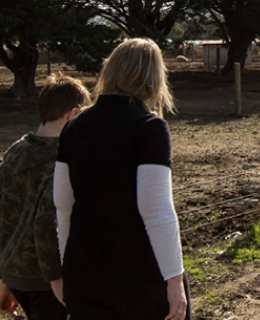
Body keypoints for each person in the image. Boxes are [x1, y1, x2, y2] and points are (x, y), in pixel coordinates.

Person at [52, 39, 187, 320]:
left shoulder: (74, 127)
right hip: (139, 278)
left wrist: (68, 263)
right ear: (152, 80)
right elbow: (155, 209)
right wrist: (174, 280)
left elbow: (63, 204)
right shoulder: (149, 127)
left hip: (84, 276)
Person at [0, 75, 90, 320]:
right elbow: (45, 224)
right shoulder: (64, 158)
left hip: (15, 272)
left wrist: (5, 278)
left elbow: (3, 220)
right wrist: (57, 281)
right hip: (47, 279)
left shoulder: (14, 152)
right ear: (73, 114)